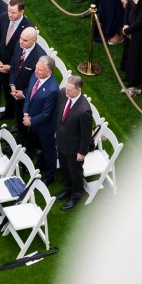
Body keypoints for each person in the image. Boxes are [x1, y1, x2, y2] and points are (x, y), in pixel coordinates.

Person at [54, 76, 93, 210]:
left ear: (78, 89)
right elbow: (60, 114)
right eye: (66, 88)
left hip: (74, 148)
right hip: (62, 141)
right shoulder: (63, 95)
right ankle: (67, 189)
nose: (66, 92)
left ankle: (76, 195)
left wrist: (82, 152)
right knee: (64, 169)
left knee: (75, 173)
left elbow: (86, 135)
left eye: (69, 90)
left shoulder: (84, 110)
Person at [22, 55, 60, 183]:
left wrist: (30, 121)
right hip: (33, 120)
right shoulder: (35, 76)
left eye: (40, 70)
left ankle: (49, 176)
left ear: (49, 72)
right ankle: (40, 163)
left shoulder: (53, 90)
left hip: (46, 127)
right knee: (39, 146)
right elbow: (29, 95)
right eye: (36, 68)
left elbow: (46, 113)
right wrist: (26, 113)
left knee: (49, 150)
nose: (36, 71)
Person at [0, 0, 31, 117]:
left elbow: (25, 53)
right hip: (1, 63)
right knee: (6, 89)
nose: (10, 14)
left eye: (13, 12)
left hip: (15, 68)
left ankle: (17, 118)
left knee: (16, 95)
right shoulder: (3, 17)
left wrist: (11, 67)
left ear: (21, 12)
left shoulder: (28, 28)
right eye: (9, 10)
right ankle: (8, 113)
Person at [8, 27, 47, 134]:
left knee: (27, 124)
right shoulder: (18, 45)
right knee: (18, 113)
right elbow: (13, 65)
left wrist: (24, 93)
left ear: (34, 41)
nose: (21, 41)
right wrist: (12, 84)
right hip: (16, 90)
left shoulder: (40, 57)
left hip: (29, 97)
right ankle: (18, 125)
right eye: (21, 38)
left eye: (25, 40)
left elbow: (39, 82)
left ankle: (24, 141)